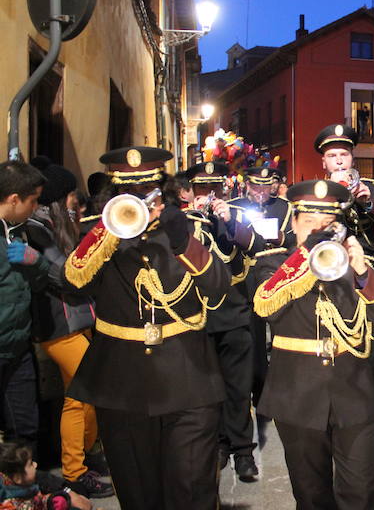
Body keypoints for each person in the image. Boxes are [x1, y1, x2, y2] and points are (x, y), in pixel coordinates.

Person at [62, 146, 230, 510]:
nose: (139, 200)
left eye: (147, 191)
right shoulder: (99, 234)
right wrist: (108, 232)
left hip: (188, 376)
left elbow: (219, 288)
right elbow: (71, 286)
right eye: (128, 193)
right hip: (122, 382)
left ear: (163, 191)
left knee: (193, 489)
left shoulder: (190, 228)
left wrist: (183, 241)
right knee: (138, 492)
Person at [253, 179, 374, 508]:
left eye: (327, 223)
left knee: (363, 492)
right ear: (293, 224)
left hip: (354, 392)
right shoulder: (273, 263)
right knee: (311, 495)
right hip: (297, 395)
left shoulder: (352, 263)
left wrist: (361, 270)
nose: (318, 229)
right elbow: (267, 306)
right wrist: (306, 254)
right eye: (309, 222)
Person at [313, 124, 374, 465]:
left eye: (344, 154)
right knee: (342, 363)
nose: (339, 160)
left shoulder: (373, 188)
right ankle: (346, 435)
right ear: (324, 162)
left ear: (353, 158)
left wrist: (367, 204)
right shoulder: (316, 192)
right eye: (332, 155)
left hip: (371, 279)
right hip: (335, 285)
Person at [26, 161, 112, 498]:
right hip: (59, 325)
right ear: (61, 198)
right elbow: (65, 275)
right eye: (72, 196)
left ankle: (84, 459)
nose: (78, 202)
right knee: (81, 394)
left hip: (75, 320)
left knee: (83, 394)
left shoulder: (53, 224)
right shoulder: (38, 228)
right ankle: (75, 471)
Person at [183, 161, 259, 481]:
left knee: (238, 389)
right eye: (202, 188)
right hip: (198, 316)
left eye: (214, 188)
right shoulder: (182, 221)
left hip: (234, 312)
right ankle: (219, 443)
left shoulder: (238, 214)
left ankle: (243, 451)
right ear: (189, 192)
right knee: (207, 389)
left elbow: (257, 245)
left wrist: (228, 222)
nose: (209, 194)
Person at [227, 165, 294, 414]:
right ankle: (259, 391)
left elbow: (294, 240)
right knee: (253, 338)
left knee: (282, 334)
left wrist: (279, 237)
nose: (261, 192)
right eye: (256, 187)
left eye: (266, 187)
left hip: (276, 274)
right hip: (247, 275)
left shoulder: (285, 207)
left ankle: (283, 389)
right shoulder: (235, 206)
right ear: (247, 185)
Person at [0, 161, 48, 455]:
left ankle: (24, 480)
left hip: (18, 349)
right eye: (33, 201)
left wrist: (37, 263)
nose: (36, 207)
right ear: (14, 199)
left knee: (25, 426)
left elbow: (38, 284)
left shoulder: (18, 232)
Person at [0, 441, 92, 510]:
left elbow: (37, 501)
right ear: (18, 478)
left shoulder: (25, 488)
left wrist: (50, 501)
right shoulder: (9, 505)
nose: (35, 464)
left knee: (78, 491)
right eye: (30, 464)